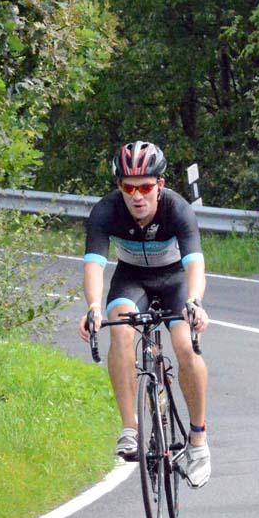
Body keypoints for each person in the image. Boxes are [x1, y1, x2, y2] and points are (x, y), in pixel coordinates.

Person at [77, 141, 212, 488]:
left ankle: (198, 442)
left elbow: (195, 263)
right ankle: (130, 429)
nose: (137, 196)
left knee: (185, 345)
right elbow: (94, 264)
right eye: (128, 187)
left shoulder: (177, 209)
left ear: (160, 185)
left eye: (146, 187)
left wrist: (194, 301)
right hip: (131, 278)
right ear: (119, 186)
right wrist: (93, 306)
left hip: (174, 281)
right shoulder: (106, 211)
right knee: (119, 329)